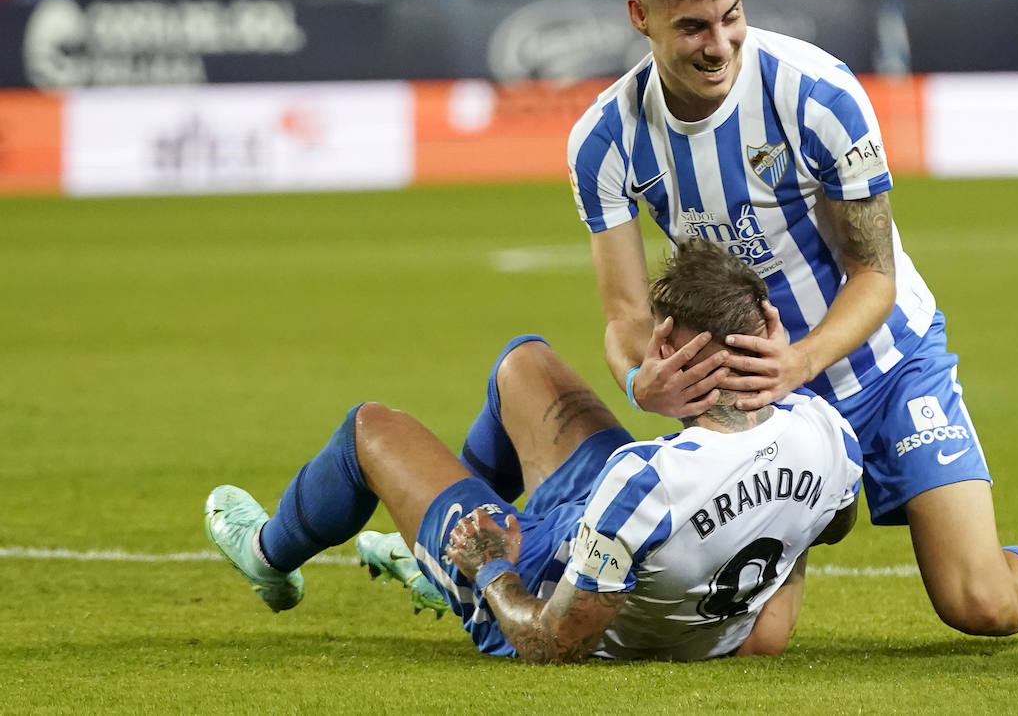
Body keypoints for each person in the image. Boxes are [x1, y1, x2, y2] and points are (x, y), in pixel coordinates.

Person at [567, 0, 1018, 640]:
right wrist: (636, 381)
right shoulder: (603, 140)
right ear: (640, 17)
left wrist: (800, 361)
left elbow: (873, 274)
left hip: (885, 361)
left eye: (731, 17)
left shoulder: (816, 95)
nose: (719, 46)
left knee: (980, 603)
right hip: (757, 392)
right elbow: (624, 314)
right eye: (692, 28)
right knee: (754, 645)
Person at [204, 238, 863, 663]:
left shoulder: (645, 481)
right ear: (768, 332)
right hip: (653, 570)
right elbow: (830, 524)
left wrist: (491, 570)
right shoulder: (828, 434)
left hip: (541, 582)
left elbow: (551, 643)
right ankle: (429, 555)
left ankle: (268, 553)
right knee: (525, 363)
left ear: (666, 347)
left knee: (367, 428)